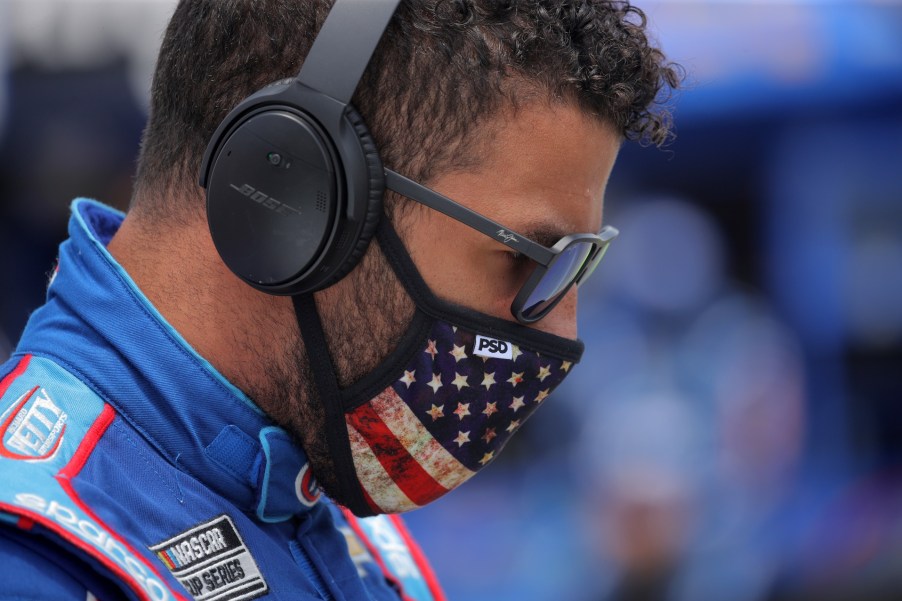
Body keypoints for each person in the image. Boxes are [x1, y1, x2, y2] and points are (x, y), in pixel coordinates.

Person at [0, 0, 679, 599]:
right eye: (524, 259)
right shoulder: (32, 559)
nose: (560, 325)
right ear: (292, 192)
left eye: (580, 264)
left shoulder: (341, 515)